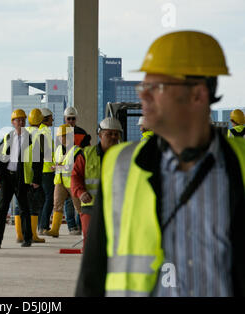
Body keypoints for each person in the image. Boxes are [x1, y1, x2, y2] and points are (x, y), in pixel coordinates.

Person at [76, 30, 245, 297]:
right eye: (144, 86)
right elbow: (92, 276)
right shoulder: (120, 166)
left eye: (157, 87)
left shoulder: (240, 164)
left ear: (198, 95)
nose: (143, 95)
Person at [0, 109, 43, 249]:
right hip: (7, 178)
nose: (21, 122)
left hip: (21, 178)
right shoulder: (7, 137)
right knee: (2, 209)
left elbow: (38, 161)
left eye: (23, 120)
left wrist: (36, 179)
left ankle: (27, 239)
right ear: (13, 122)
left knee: (24, 209)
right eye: (18, 120)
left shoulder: (31, 139)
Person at [71, 117, 123, 250]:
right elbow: (75, 177)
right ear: (100, 135)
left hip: (116, 207)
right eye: (108, 134)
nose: (113, 137)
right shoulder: (87, 154)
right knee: (91, 243)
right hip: (91, 206)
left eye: (116, 134)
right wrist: (80, 192)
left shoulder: (124, 155)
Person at [45, 124, 83, 238]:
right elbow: (58, 163)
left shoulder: (77, 151)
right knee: (57, 205)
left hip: (72, 182)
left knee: (79, 206)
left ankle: (84, 228)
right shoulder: (58, 150)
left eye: (63, 136)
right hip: (60, 181)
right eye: (60, 136)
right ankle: (54, 230)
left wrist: (58, 167)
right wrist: (56, 167)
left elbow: (73, 168)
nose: (61, 138)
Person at [20, 108, 46, 243]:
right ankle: (33, 235)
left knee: (21, 206)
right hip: (31, 176)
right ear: (41, 120)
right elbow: (39, 158)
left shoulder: (22, 133)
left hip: (20, 176)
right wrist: (36, 179)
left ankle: (20, 236)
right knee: (33, 207)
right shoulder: (39, 135)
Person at [38, 108, 56, 235]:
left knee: (43, 200)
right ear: (45, 118)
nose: (53, 120)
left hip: (41, 170)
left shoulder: (39, 131)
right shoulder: (45, 131)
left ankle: (41, 226)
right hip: (47, 170)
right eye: (51, 117)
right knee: (49, 199)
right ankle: (44, 226)